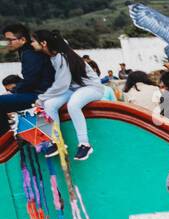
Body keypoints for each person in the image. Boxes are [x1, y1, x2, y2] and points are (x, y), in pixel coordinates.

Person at [32, 30, 103, 161]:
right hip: (73, 90)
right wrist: (44, 100)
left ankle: (85, 144)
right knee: (49, 105)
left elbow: (61, 84)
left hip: (91, 88)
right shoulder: (53, 55)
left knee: (73, 105)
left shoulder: (62, 56)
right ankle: (57, 142)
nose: (32, 44)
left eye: (33, 41)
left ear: (43, 43)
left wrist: (41, 99)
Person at [0, 22, 55, 135]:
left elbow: (31, 81)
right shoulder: (27, 51)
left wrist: (15, 90)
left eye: (10, 40)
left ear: (23, 39)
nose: (8, 43)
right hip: (40, 91)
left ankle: (5, 141)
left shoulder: (29, 54)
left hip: (41, 94)